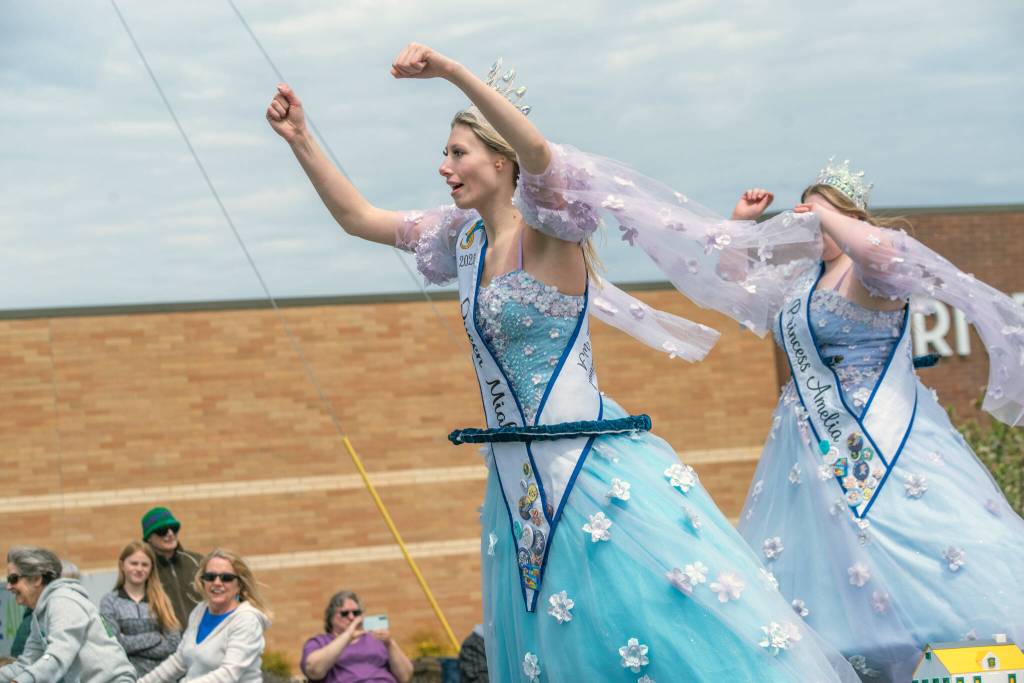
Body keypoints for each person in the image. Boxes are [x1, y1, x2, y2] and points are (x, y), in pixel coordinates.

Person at [267, 43, 860, 681]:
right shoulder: (461, 238)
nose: (444, 167)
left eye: (457, 152)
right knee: (555, 648)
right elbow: (359, 219)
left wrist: (453, 74)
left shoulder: (549, 232)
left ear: (501, 161)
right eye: (444, 154)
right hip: (517, 484)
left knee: (644, 630)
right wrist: (301, 138)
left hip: (586, 470)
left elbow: (543, 159)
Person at [735, 161, 1024, 681]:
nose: (811, 226)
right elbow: (736, 289)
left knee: (910, 535)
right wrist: (742, 224)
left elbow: (875, 247)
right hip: (810, 444)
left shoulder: (872, 269)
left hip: (883, 434)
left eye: (822, 216)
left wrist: (825, 212)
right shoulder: (803, 279)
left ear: (850, 217)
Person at [0, 546, 136, 682]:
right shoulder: (40, 613)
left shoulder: (63, 601)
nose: (8, 586)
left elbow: (57, 656)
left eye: (13, 579)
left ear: (36, 579)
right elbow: (26, 664)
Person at [140, 548, 270, 683]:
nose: (217, 583)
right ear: (203, 581)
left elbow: (229, 674)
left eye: (226, 578)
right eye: (210, 577)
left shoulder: (246, 620)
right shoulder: (199, 611)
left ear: (239, 585)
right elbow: (179, 660)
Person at [101, 541, 183, 676]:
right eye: (134, 563)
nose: (139, 569)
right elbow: (112, 642)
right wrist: (155, 637)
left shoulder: (163, 601)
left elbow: (173, 644)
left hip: (162, 677)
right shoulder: (108, 602)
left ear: (151, 568)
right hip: (126, 676)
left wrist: (127, 642)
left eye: (145, 564)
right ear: (122, 565)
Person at [300, 590, 413, 683]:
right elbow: (314, 671)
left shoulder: (377, 639)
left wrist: (390, 643)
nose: (351, 617)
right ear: (331, 618)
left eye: (356, 613)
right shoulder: (320, 642)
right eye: (345, 613)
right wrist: (347, 636)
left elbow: (406, 676)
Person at [141, 505, 203, 628]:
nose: (169, 534)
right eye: (162, 530)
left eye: (173, 529)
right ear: (149, 538)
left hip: (204, 639)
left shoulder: (197, 561)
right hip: (167, 643)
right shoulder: (143, 570)